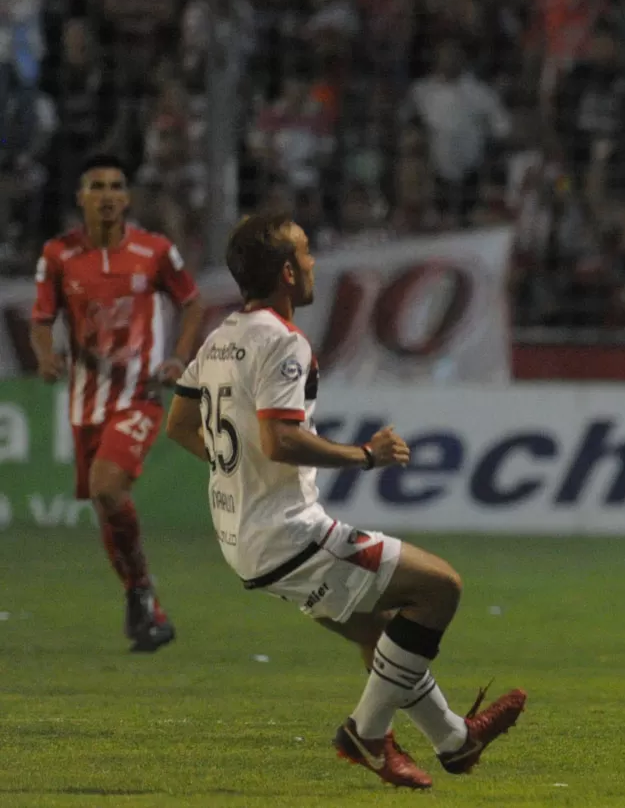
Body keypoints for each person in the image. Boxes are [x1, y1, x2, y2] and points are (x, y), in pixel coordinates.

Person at [163, 215, 525, 789]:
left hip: (242, 537)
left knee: (380, 635)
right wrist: (366, 455)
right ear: (286, 271)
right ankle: (366, 732)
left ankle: (455, 741)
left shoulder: (220, 337)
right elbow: (280, 439)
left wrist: (237, 473)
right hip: (289, 533)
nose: (312, 265)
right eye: (306, 254)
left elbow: (179, 425)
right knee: (439, 589)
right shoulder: (283, 341)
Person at [30, 154, 204, 654]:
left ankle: (142, 589)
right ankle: (140, 598)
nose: (107, 195)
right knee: (108, 509)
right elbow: (42, 318)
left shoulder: (155, 251)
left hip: (139, 394)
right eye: (96, 186)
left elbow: (190, 301)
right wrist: (45, 357)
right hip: (86, 400)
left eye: (116, 186)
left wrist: (176, 358)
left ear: (127, 198)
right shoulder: (58, 255)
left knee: (108, 487)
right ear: (81, 198)